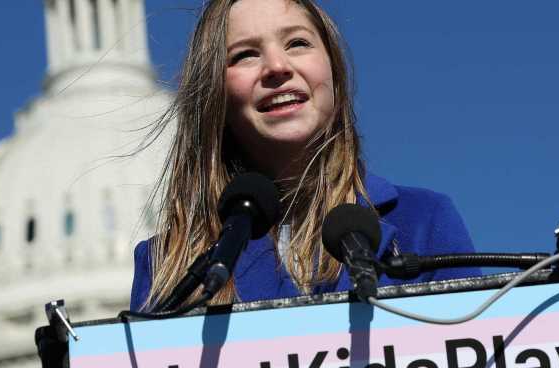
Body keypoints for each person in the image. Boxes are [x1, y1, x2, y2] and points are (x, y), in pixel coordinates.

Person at [130, 0, 477, 313]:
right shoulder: (164, 265)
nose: (277, 67)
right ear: (214, 99)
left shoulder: (423, 221)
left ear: (334, 74)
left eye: (297, 43)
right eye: (245, 54)